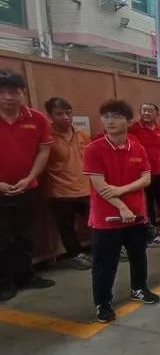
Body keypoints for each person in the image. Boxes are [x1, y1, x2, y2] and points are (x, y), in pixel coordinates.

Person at [82, 100, 160, 323]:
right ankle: (103, 302)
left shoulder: (137, 148)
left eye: (116, 116)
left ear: (129, 121)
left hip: (136, 216)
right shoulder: (94, 149)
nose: (110, 121)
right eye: (106, 116)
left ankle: (139, 288)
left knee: (138, 256)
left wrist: (122, 190)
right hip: (106, 219)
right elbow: (100, 186)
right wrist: (122, 206)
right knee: (105, 263)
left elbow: (146, 178)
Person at [0, 70, 55, 301]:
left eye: (14, 92)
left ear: (23, 93)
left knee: (25, 234)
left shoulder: (37, 119)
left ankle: (25, 275)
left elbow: (43, 150)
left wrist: (30, 177)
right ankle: (4, 282)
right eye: (2, 92)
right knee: (2, 238)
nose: (8, 97)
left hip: (28, 187)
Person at [44, 97, 93, 270]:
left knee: (96, 221)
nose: (66, 117)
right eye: (60, 114)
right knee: (66, 227)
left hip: (85, 188)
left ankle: (105, 247)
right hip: (60, 192)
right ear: (50, 116)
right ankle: (75, 254)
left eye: (68, 113)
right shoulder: (46, 136)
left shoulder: (82, 134)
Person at [129, 103, 160, 243]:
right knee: (147, 203)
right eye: (144, 110)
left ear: (157, 114)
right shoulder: (133, 129)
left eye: (150, 110)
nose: (146, 113)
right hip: (143, 174)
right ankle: (151, 231)